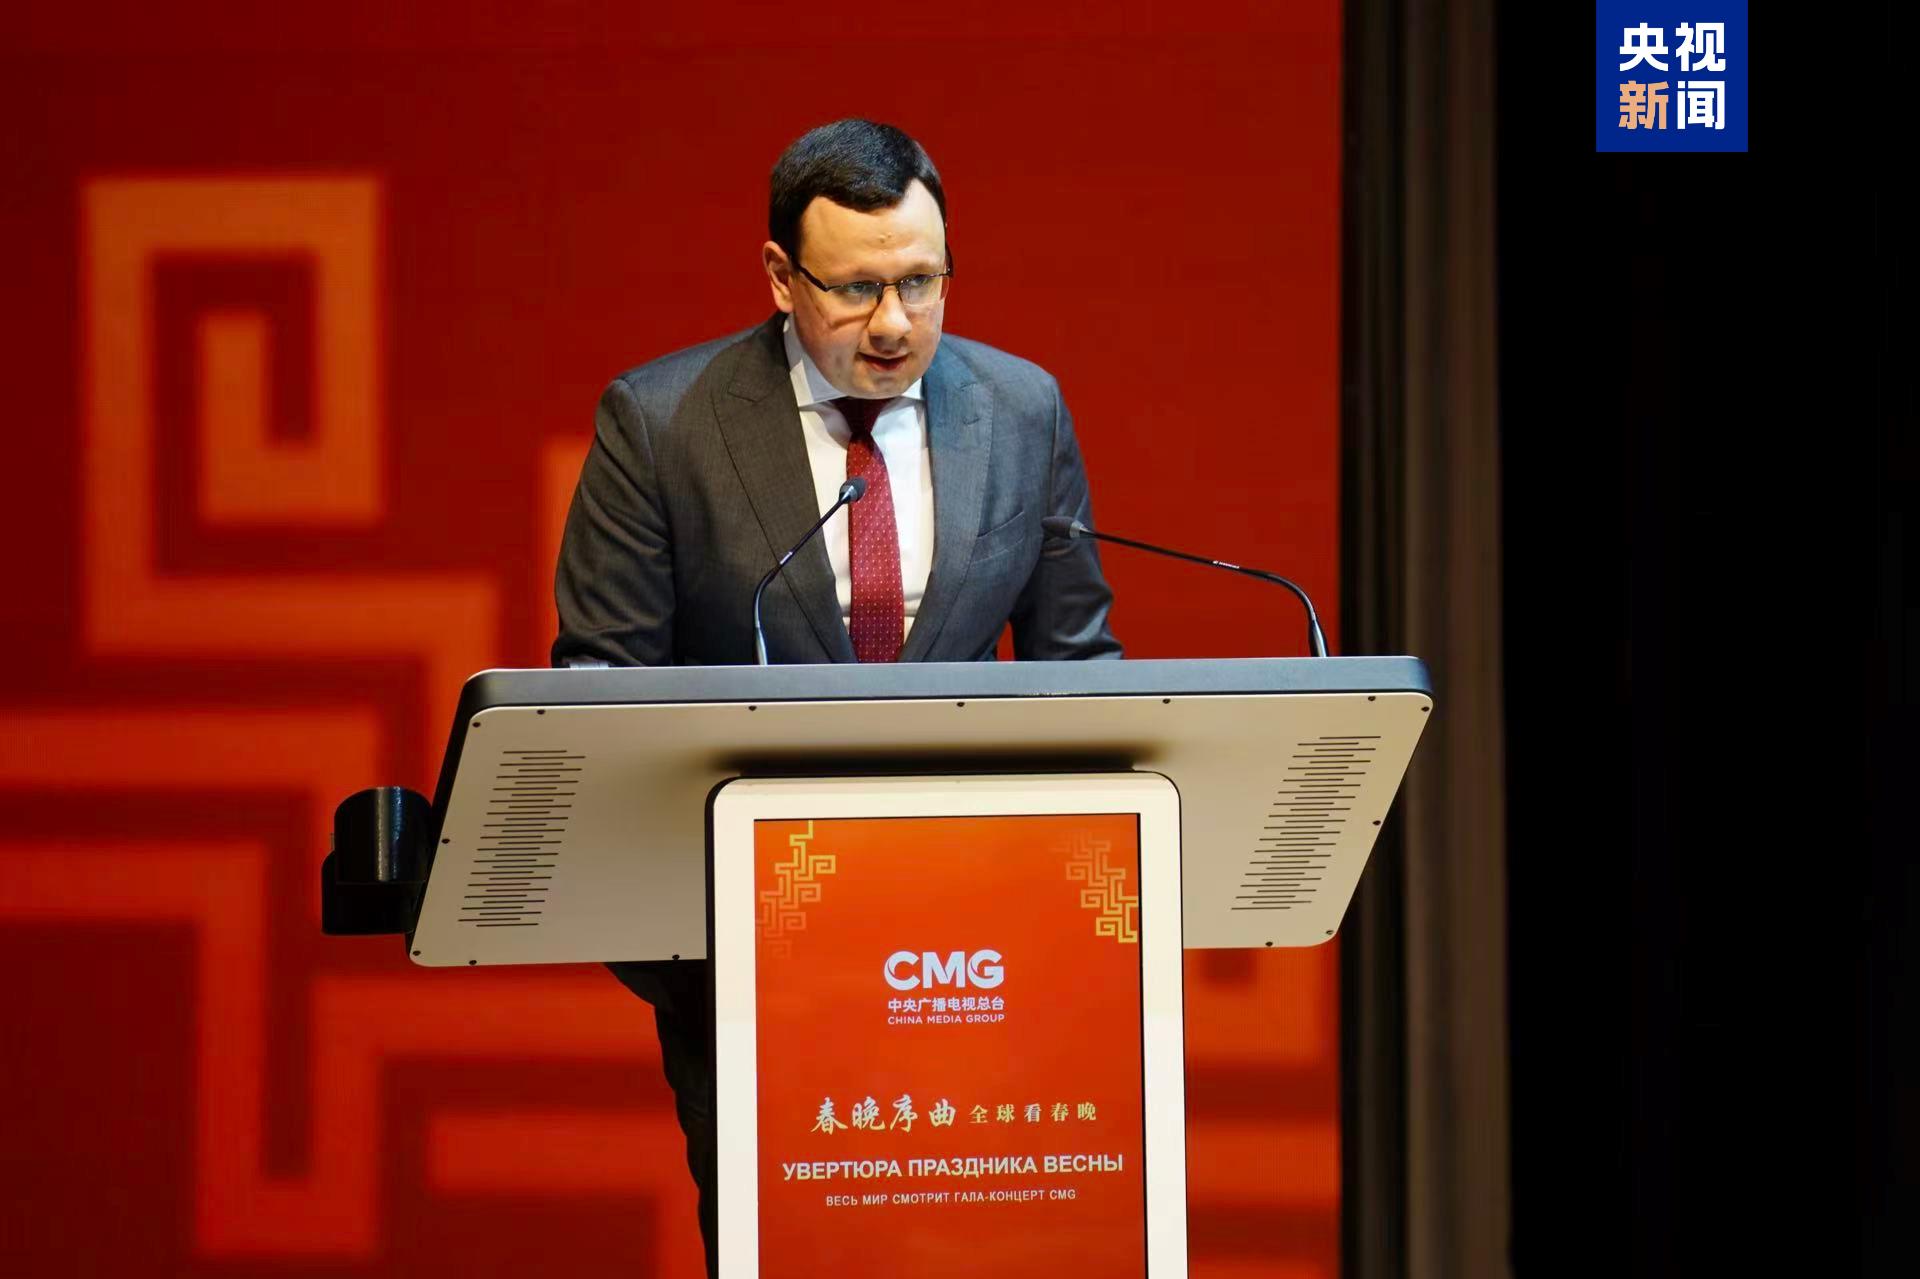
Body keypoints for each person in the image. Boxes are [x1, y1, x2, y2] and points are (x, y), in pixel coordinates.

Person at [550, 118, 1120, 1274]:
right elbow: (601, 702)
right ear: (780, 276)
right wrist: (692, 966)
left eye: (922, 282)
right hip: (757, 963)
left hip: (980, 956)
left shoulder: (1022, 411)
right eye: (856, 289)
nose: (895, 323)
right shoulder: (661, 426)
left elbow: (1081, 672)